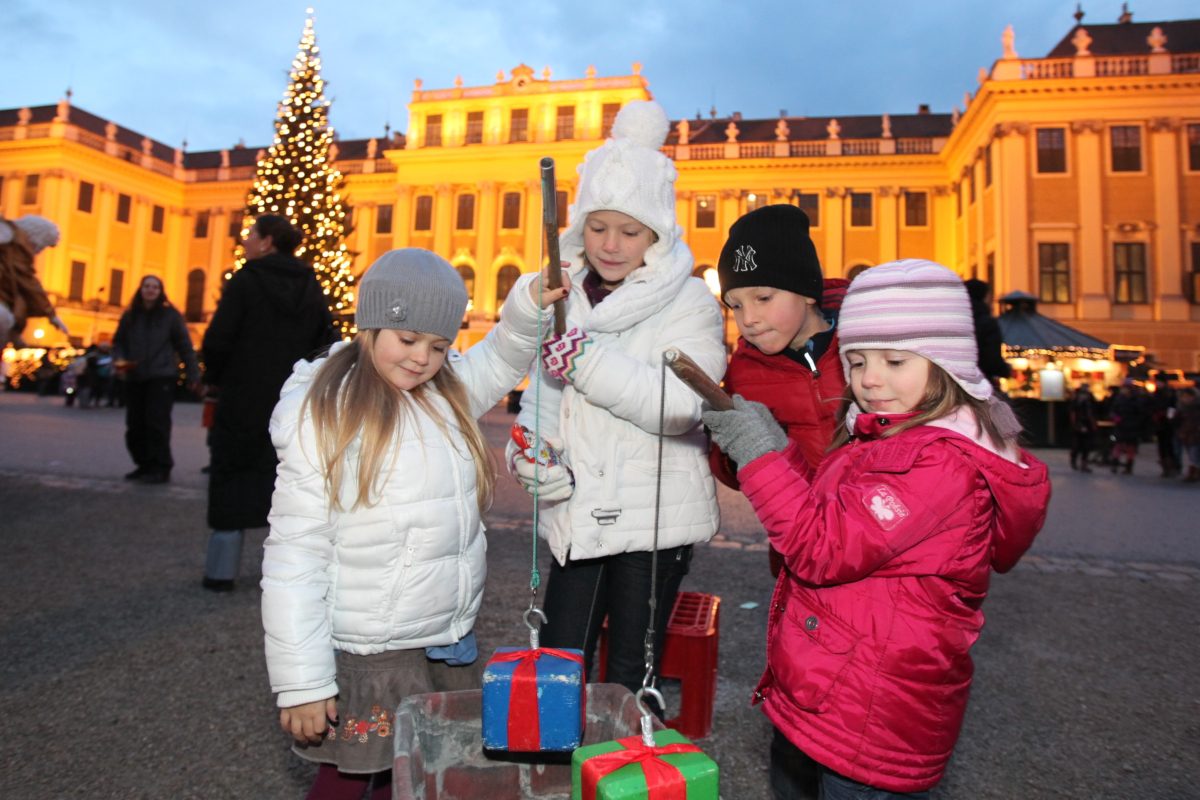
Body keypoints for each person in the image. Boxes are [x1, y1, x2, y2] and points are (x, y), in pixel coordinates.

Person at [702, 259, 1051, 799]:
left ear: (949, 363)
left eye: (894, 360)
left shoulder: (938, 464)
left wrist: (756, 454)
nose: (869, 378)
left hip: (873, 706)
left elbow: (820, 546)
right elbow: (830, 512)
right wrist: (778, 447)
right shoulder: (889, 437)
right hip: (845, 681)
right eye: (857, 360)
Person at [261, 248, 566, 799]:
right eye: (408, 339)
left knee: (419, 769)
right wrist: (303, 683)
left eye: (440, 346)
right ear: (371, 324)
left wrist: (524, 308)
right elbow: (294, 555)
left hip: (442, 638)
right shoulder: (326, 412)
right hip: (369, 646)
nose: (423, 358)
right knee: (351, 776)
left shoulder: (443, 394)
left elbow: (499, 357)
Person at [506, 100, 726, 712]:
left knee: (635, 671)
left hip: (655, 517)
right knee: (558, 658)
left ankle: (629, 774)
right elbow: (541, 398)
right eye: (598, 227)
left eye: (630, 231)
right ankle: (558, 770)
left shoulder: (688, 302)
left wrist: (589, 363)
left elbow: (686, 404)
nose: (611, 244)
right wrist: (529, 453)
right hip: (578, 507)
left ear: (656, 235)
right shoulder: (562, 293)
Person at [709, 203, 848, 584]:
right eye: (735, 305)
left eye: (763, 298)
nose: (748, 318)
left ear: (806, 292)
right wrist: (732, 452)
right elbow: (736, 472)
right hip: (800, 551)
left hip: (884, 538)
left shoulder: (866, 343)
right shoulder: (745, 371)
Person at [200, 214, 336, 591]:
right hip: (292, 399)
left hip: (243, 395)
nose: (245, 241)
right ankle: (286, 575)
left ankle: (221, 571)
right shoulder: (311, 283)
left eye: (251, 235)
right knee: (288, 481)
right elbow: (326, 341)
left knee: (232, 476)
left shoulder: (246, 279)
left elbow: (219, 338)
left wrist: (214, 376)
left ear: (267, 242)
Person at [112, 275, 201, 483]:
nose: (150, 290)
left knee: (157, 423)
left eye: (155, 287)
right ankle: (143, 464)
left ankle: (161, 466)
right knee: (135, 424)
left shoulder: (171, 316)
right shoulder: (130, 316)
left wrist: (193, 373)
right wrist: (119, 361)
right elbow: (119, 343)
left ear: (160, 291)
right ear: (140, 289)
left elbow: (184, 346)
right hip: (135, 375)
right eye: (147, 286)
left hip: (161, 376)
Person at [0, 215, 70, 346]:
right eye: (42, 246)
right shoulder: (14, 241)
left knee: (18, 304)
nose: (39, 251)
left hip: (5, 293)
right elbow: (28, 282)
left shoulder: (17, 246)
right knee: (3, 317)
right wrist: (51, 315)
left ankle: (14, 332)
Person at [964, 278, 1011, 389]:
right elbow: (992, 360)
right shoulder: (986, 322)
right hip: (980, 384)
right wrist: (1006, 370)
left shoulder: (956, 319)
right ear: (984, 296)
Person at [1108, 382, 1147, 475]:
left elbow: (1141, 413)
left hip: (1132, 426)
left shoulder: (1136, 400)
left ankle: (1128, 466)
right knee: (1118, 445)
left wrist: (1137, 423)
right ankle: (1115, 464)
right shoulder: (1119, 399)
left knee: (1130, 447)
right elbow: (1113, 410)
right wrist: (1115, 417)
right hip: (1121, 425)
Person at [1068, 385, 1098, 472]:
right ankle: (1075, 460)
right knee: (1077, 445)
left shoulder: (1089, 402)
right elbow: (1073, 415)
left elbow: (1091, 414)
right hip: (1079, 425)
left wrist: (1092, 424)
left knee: (1086, 446)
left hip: (1086, 425)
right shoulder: (1076, 402)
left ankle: (1083, 463)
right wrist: (1075, 425)